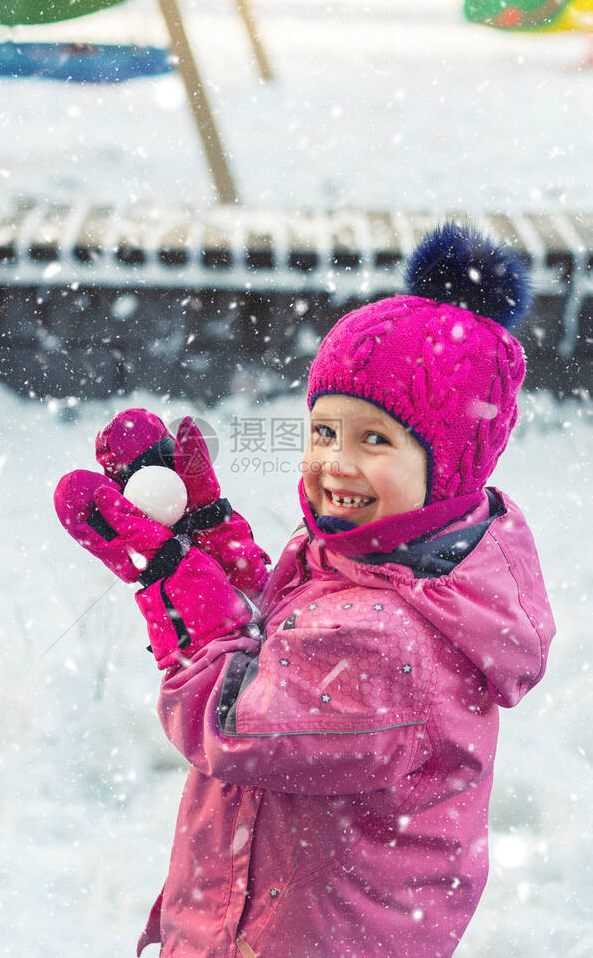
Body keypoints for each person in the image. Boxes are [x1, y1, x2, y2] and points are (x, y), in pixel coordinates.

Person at [54, 223, 555, 958]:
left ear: (447, 467)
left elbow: (236, 717)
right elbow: (295, 649)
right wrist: (212, 542)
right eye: (324, 432)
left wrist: (170, 578)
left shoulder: (397, 635)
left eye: (374, 440)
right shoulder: (388, 565)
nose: (336, 463)